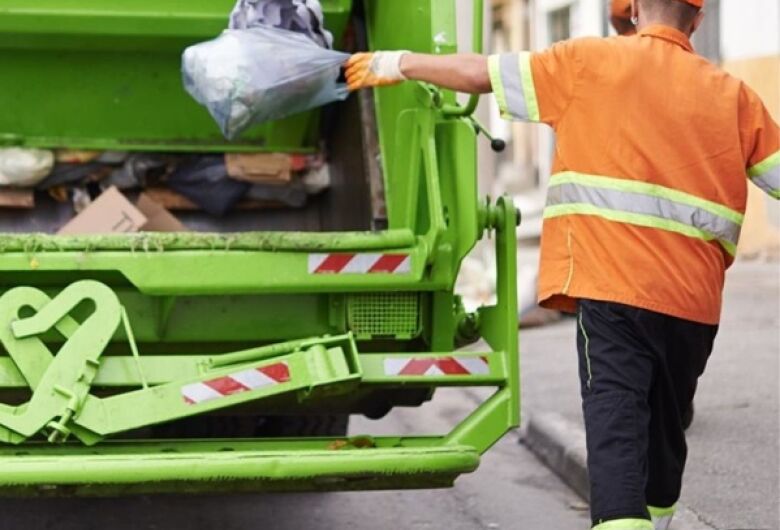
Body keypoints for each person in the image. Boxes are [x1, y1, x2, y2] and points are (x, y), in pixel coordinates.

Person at [345, 0, 780, 529]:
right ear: (699, 18)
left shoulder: (585, 63)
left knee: (616, 432)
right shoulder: (734, 96)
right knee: (665, 437)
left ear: (636, 10)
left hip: (610, 286)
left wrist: (397, 62)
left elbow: (479, 73)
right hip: (693, 302)